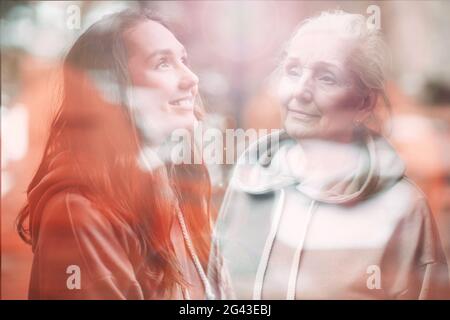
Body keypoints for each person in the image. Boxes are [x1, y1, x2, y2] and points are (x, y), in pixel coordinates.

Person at [209, 11, 450, 299]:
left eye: (327, 78)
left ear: (364, 103)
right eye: (293, 71)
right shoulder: (250, 179)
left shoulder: (405, 207)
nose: (300, 91)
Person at [16, 8, 225, 300]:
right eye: (163, 63)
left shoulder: (179, 192)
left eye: (183, 60)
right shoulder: (79, 215)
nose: (191, 79)